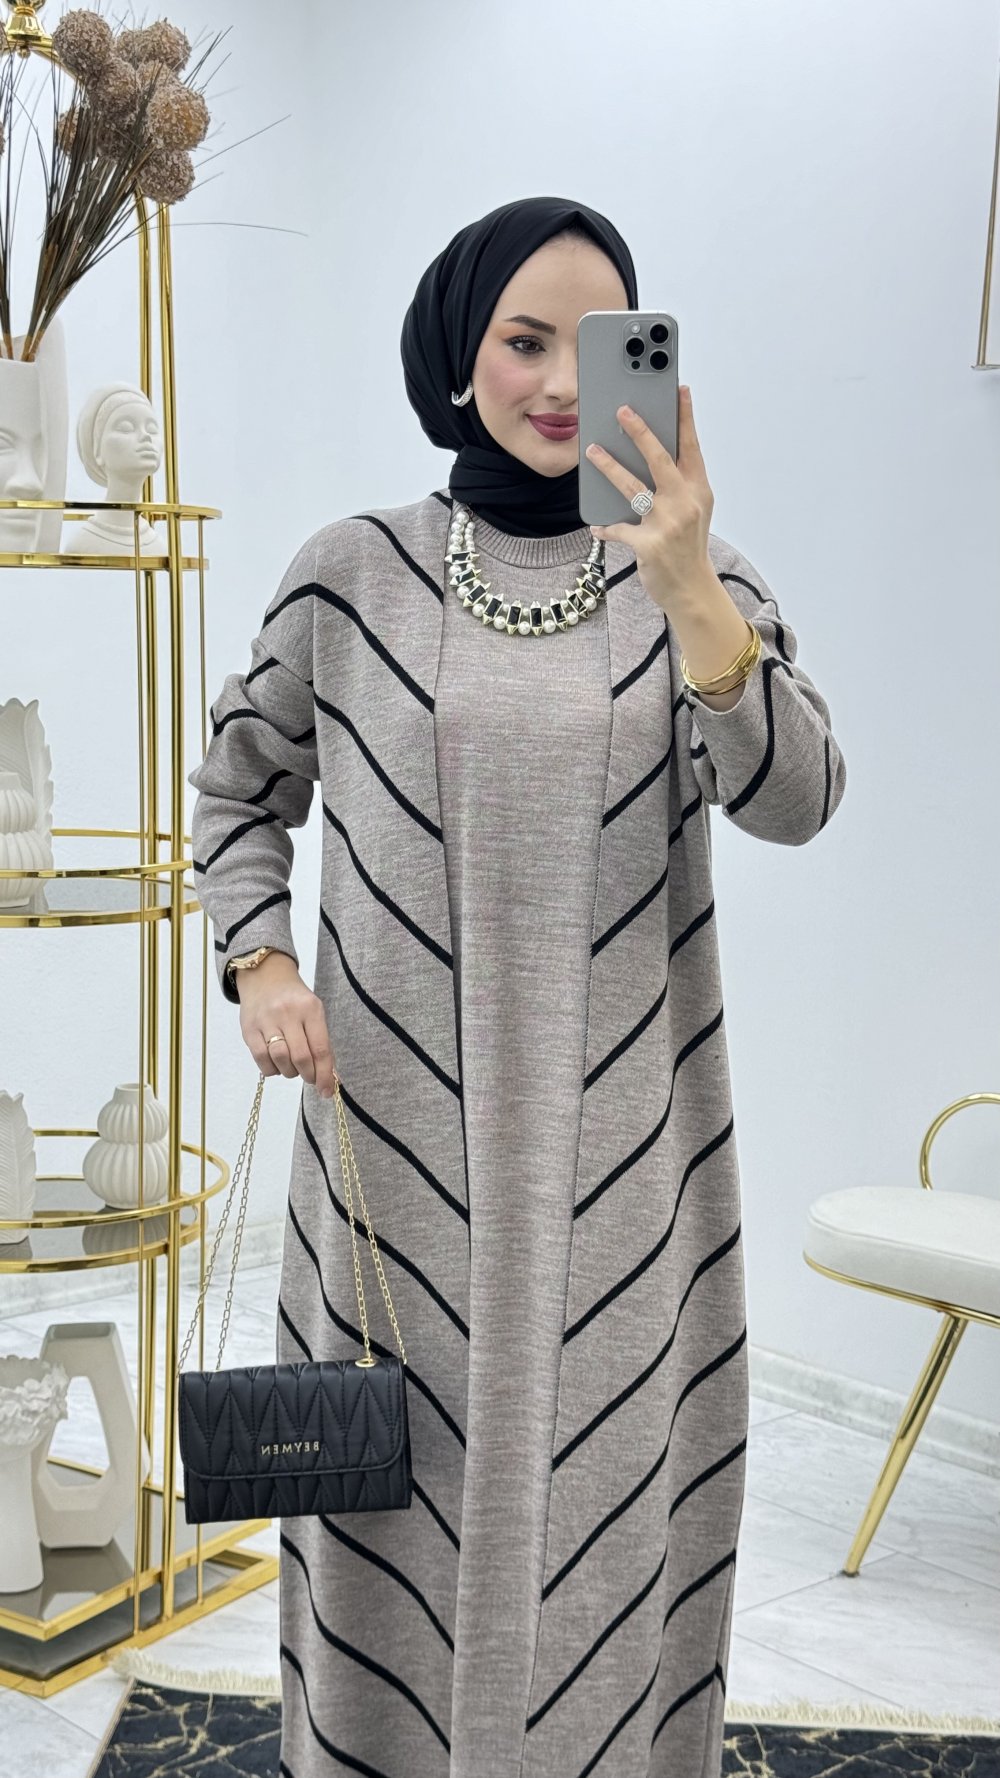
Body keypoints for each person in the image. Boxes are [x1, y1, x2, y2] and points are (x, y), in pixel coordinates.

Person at [188, 194, 846, 1778]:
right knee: (386, 1525)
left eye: (595, 345)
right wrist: (260, 957)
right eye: (523, 340)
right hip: (393, 1168)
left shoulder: (704, 580)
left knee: (608, 1523)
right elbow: (238, 786)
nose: (559, 382)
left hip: (628, 1182)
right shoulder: (352, 576)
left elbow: (799, 796)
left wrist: (687, 585)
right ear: (456, 353)